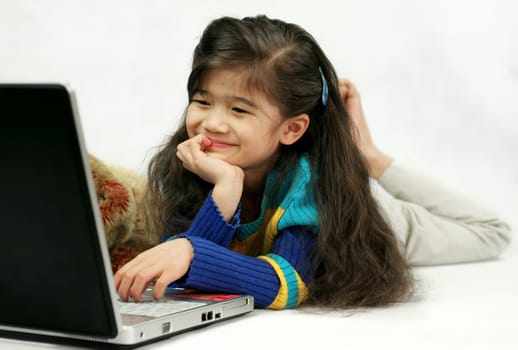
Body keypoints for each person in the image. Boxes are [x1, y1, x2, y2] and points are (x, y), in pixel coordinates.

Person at [114, 15, 512, 309]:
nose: (212, 122)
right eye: (202, 101)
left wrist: (192, 250)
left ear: (291, 129)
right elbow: (177, 270)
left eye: (239, 109)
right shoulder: (191, 161)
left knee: (492, 232)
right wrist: (224, 192)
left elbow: (288, 281)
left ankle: (368, 157)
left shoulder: (311, 182)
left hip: (369, 222)